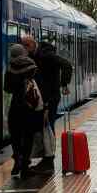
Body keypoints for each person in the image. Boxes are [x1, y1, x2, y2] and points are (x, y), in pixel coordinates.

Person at [29, 35, 74, 172]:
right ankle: (45, 159)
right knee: (44, 127)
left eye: (27, 46)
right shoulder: (35, 56)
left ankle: (49, 161)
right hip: (43, 98)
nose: (25, 49)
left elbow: (67, 65)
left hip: (50, 98)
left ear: (33, 44)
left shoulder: (46, 55)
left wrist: (64, 83)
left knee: (47, 127)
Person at [3, 43, 41, 178]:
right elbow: (36, 84)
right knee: (28, 136)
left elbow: (7, 88)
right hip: (29, 107)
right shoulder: (31, 66)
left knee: (16, 136)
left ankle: (17, 161)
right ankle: (25, 166)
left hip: (15, 107)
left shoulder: (9, 68)